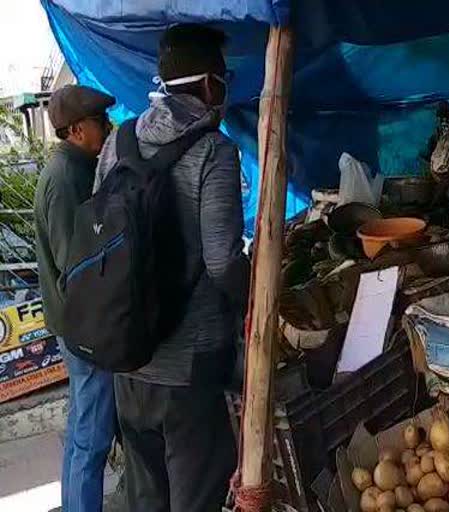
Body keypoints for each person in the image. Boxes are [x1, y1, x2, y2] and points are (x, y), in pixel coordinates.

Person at [93, 23, 248, 512]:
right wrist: (259, 302)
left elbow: (99, 235)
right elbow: (223, 261)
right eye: (223, 80)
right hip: (189, 366)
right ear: (209, 85)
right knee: (197, 497)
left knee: (147, 500)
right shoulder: (214, 151)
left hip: (127, 354)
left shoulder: (117, 142)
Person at [33, 84, 116, 512]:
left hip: (76, 323)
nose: (108, 128)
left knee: (84, 424)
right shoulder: (66, 178)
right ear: (78, 130)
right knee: (93, 433)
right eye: (101, 123)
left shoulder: (74, 167)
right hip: (83, 327)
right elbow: (76, 266)